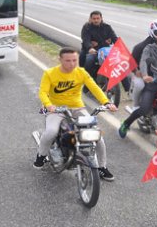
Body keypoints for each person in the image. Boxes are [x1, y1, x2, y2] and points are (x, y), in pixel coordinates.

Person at [34, 47, 119, 181]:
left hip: (77, 108)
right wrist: (48, 104)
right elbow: (43, 92)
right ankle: (41, 156)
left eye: (75, 60)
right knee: (51, 132)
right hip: (56, 109)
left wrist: (106, 102)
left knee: (97, 136)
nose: (72, 64)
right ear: (60, 60)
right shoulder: (50, 73)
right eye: (68, 61)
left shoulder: (81, 72)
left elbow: (94, 87)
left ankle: (102, 167)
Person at [128, 19, 157, 111]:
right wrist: (136, 71)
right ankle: (135, 106)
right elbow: (130, 63)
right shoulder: (140, 47)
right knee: (139, 85)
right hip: (143, 75)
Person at [80, 11, 118, 75]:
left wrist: (119, 47)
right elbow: (86, 40)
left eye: (98, 18)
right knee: (87, 59)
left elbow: (114, 38)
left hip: (104, 50)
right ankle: (86, 78)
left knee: (118, 63)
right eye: (94, 19)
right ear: (90, 19)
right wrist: (90, 48)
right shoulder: (86, 27)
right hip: (92, 50)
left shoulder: (107, 27)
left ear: (101, 18)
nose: (96, 20)